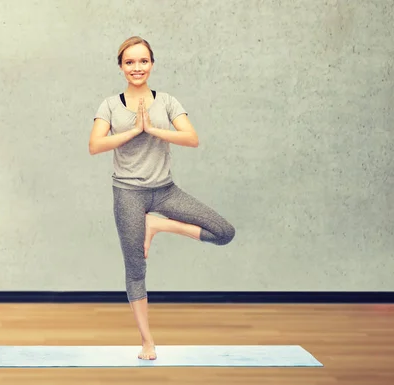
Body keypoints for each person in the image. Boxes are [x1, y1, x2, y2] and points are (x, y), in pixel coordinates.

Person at [88, 36, 236, 360]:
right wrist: (132, 131)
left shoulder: (166, 101)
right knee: (136, 269)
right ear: (121, 66)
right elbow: (95, 145)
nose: (137, 67)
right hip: (128, 194)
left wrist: (154, 129)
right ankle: (147, 342)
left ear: (152, 64)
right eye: (130, 62)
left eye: (143, 61)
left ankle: (157, 225)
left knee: (224, 232)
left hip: (165, 191)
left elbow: (191, 138)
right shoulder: (110, 105)